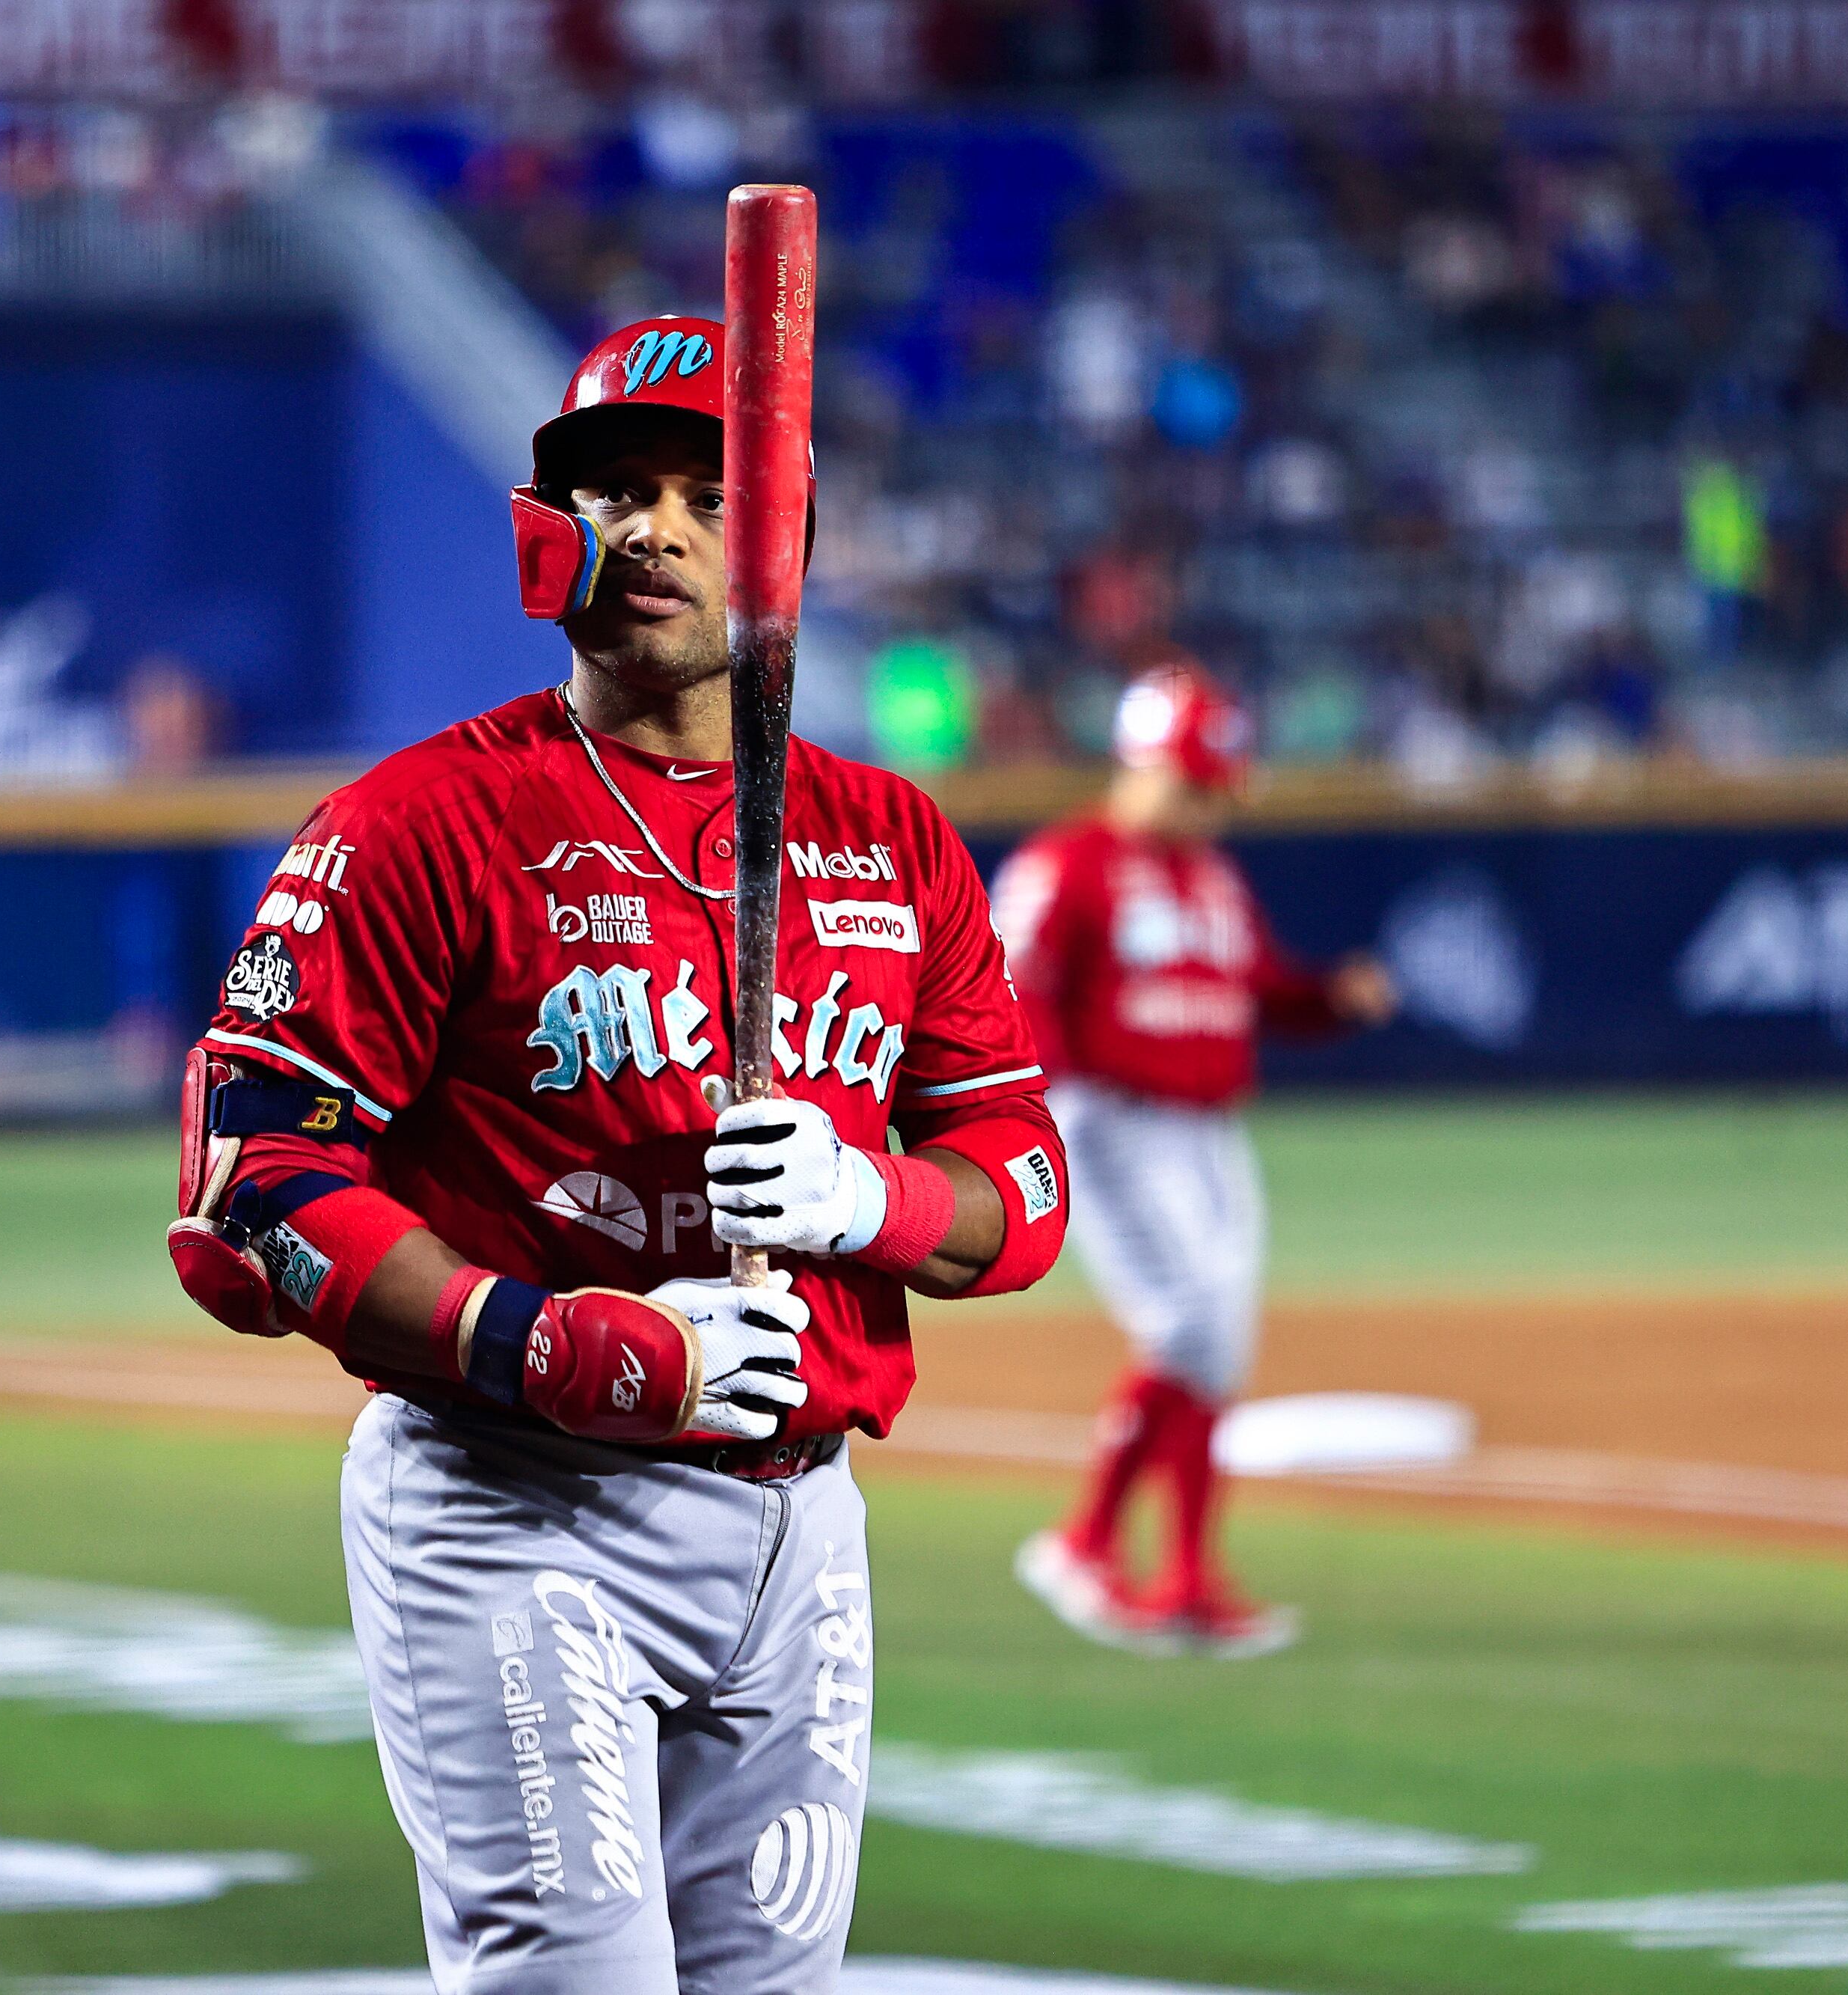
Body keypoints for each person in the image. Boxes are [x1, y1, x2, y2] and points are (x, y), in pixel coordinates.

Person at [166, 316, 1071, 1994]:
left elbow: (1018, 1183)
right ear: (547, 523)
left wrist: (867, 1195)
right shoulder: (417, 823)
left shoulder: (892, 841)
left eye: (710, 497)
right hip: (518, 1507)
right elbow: (256, 1194)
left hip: (804, 1530)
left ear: (783, 541)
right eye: (616, 489)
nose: (655, 528)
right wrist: (574, 1341)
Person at [995, 664, 1396, 1658]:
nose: (1215, 804)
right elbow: (1010, 987)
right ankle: (1086, 1542)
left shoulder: (1211, 876)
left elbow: (1261, 988)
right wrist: (1038, 1107)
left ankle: (1187, 1574)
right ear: (1154, 766)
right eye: (1201, 781)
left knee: (1217, 1343)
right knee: (1188, 1328)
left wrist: (1329, 1001)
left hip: (1212, 1128)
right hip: (1112, 1119)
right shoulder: (1067, 863)